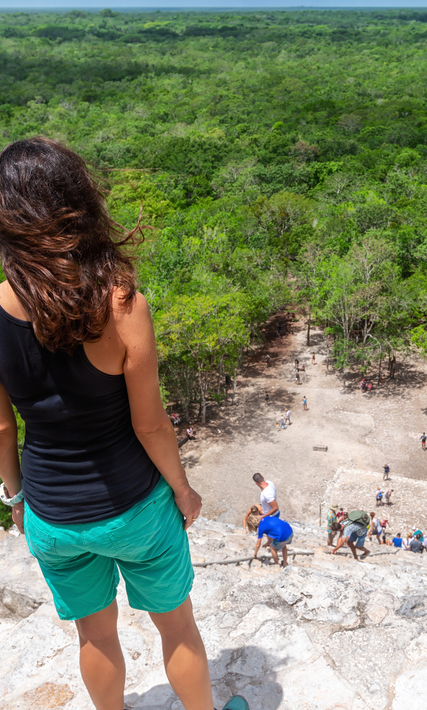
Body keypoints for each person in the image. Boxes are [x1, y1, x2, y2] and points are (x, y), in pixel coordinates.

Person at [0, 138, 245, 710]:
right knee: (177, 628)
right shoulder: (119, 304)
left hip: (52, 515)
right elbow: (151, 424)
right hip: (134, 506)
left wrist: (16, 497)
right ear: (77, 204)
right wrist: (183, 490)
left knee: (95, 634)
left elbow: (3, 429)